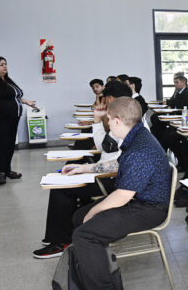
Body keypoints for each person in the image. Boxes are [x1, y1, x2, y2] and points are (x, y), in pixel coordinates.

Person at [68, 97, 172, 290]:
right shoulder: (137, 135)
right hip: (140, 201)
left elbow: (123, 196)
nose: (106, 122)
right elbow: (119, 164)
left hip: (149, 208)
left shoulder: (139, 149)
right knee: (79, 217)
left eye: (107, 119)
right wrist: (85, 167)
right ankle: (96, 268)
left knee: (85, 233)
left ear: (116, 121)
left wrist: (93, 212)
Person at [33, 81, 133, 259]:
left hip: (114, 179)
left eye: (103, 100)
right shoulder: (120, 117)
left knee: (62, 189)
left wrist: (87, 168)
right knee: (63, 175)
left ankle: (60, 242)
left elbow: (120, 164)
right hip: (105, 171)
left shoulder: (129, 122)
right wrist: (97, 119)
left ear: (110, 99)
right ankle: (56, 235)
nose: (101, 103)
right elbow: (105, 147)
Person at [0, 56, 36, 184]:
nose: (5, 66)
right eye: (1, 64)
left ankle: (7, 170)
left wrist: (26, 101)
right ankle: (0, 173)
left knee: (9, 145)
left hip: (11, 119)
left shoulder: (6, 80)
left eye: (5, 64)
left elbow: (13, 96)